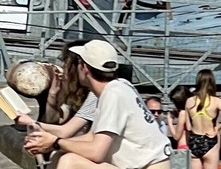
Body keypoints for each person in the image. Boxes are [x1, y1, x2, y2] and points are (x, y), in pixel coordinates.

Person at [23, 40, 171, 169]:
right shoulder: (119, 86)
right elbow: (92, 138)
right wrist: (49, 142)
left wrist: (55, 142)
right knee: (60, 154)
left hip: (148, 166)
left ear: (84, 68)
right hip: (146, 163)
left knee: (70, 161)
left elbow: (96, 152)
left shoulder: (113, 94)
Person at [185, 69, 221, 169]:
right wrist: (217, 128)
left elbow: (188, 127)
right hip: (209, 140)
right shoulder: (216, 101)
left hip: (194, 140)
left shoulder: (189, 101)